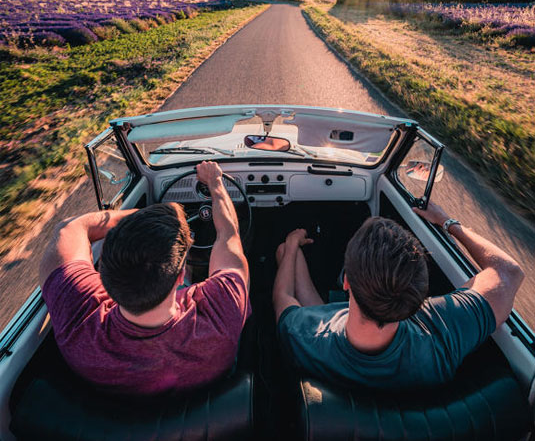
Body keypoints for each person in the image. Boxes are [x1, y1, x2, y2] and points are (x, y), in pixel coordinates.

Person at [39, 161, 250, 395]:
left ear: (101, 276)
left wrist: (143, 220)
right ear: (180, 277)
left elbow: (70, 228)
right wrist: (214, 182)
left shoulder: (77, 318)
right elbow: (228, 234)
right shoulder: (223, 311)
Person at [273, 201, 524, 389]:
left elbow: (282, 296)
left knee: (285, 253)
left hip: (330, 342)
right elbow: (509, 273)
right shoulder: (442, 335)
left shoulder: (302, 336)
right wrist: (448, 223)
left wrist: (293, 243)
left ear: (346, 282)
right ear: (420, 295)